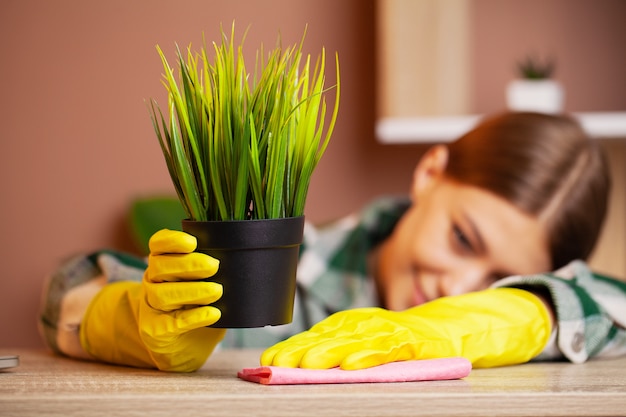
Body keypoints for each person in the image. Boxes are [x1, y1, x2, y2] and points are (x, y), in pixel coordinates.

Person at [39, 111, 626, 372]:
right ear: (429, 173)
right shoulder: (285, 281)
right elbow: (68, 286)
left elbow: (613, 306)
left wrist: (495, 318)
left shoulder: (502, 322)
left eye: (497, 282)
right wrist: (124, 318)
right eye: (463, 239)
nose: (459, 285)